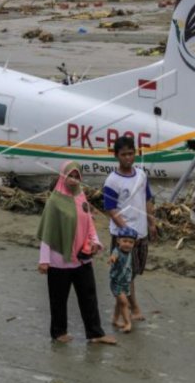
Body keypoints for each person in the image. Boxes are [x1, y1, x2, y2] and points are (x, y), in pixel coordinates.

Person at [36, 161, 117, 345]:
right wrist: (44, 260)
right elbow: (47, 233)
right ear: (63, 176)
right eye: (70, 176)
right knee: (58, 299)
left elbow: (89, 224)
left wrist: (95, 242)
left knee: (89, 296)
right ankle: (58, 333)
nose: (73, 180)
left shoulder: (81, 197)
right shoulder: (54, 202)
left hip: (82, 258)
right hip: (59, 259)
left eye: (76, 176)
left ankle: (95, 333)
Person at [103, 135, 157, 322]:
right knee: (126, 274)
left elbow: (147, 199)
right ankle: (134, 308)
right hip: (123, 236)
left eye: (131, 153)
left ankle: (117, 313)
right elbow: (110, 208)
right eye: (124, 154)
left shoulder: (141, 175)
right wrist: (126, 232)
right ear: (117, 156)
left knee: (133, 272)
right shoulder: (112, 181)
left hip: (141, 233)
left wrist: (151, 223)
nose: (128, 157)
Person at [108, 226, 138, 333]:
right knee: (125, 303)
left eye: (131, 242)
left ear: (134, 244)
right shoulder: (117, 251)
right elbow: (114, 255)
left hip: (125, 282)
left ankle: (115, 320)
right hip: (116, 283)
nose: (127, 244)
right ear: (118, 241)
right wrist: (112, 258)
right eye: (124, 241)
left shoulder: (129, 252)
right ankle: (127, 323)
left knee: (119, 303)